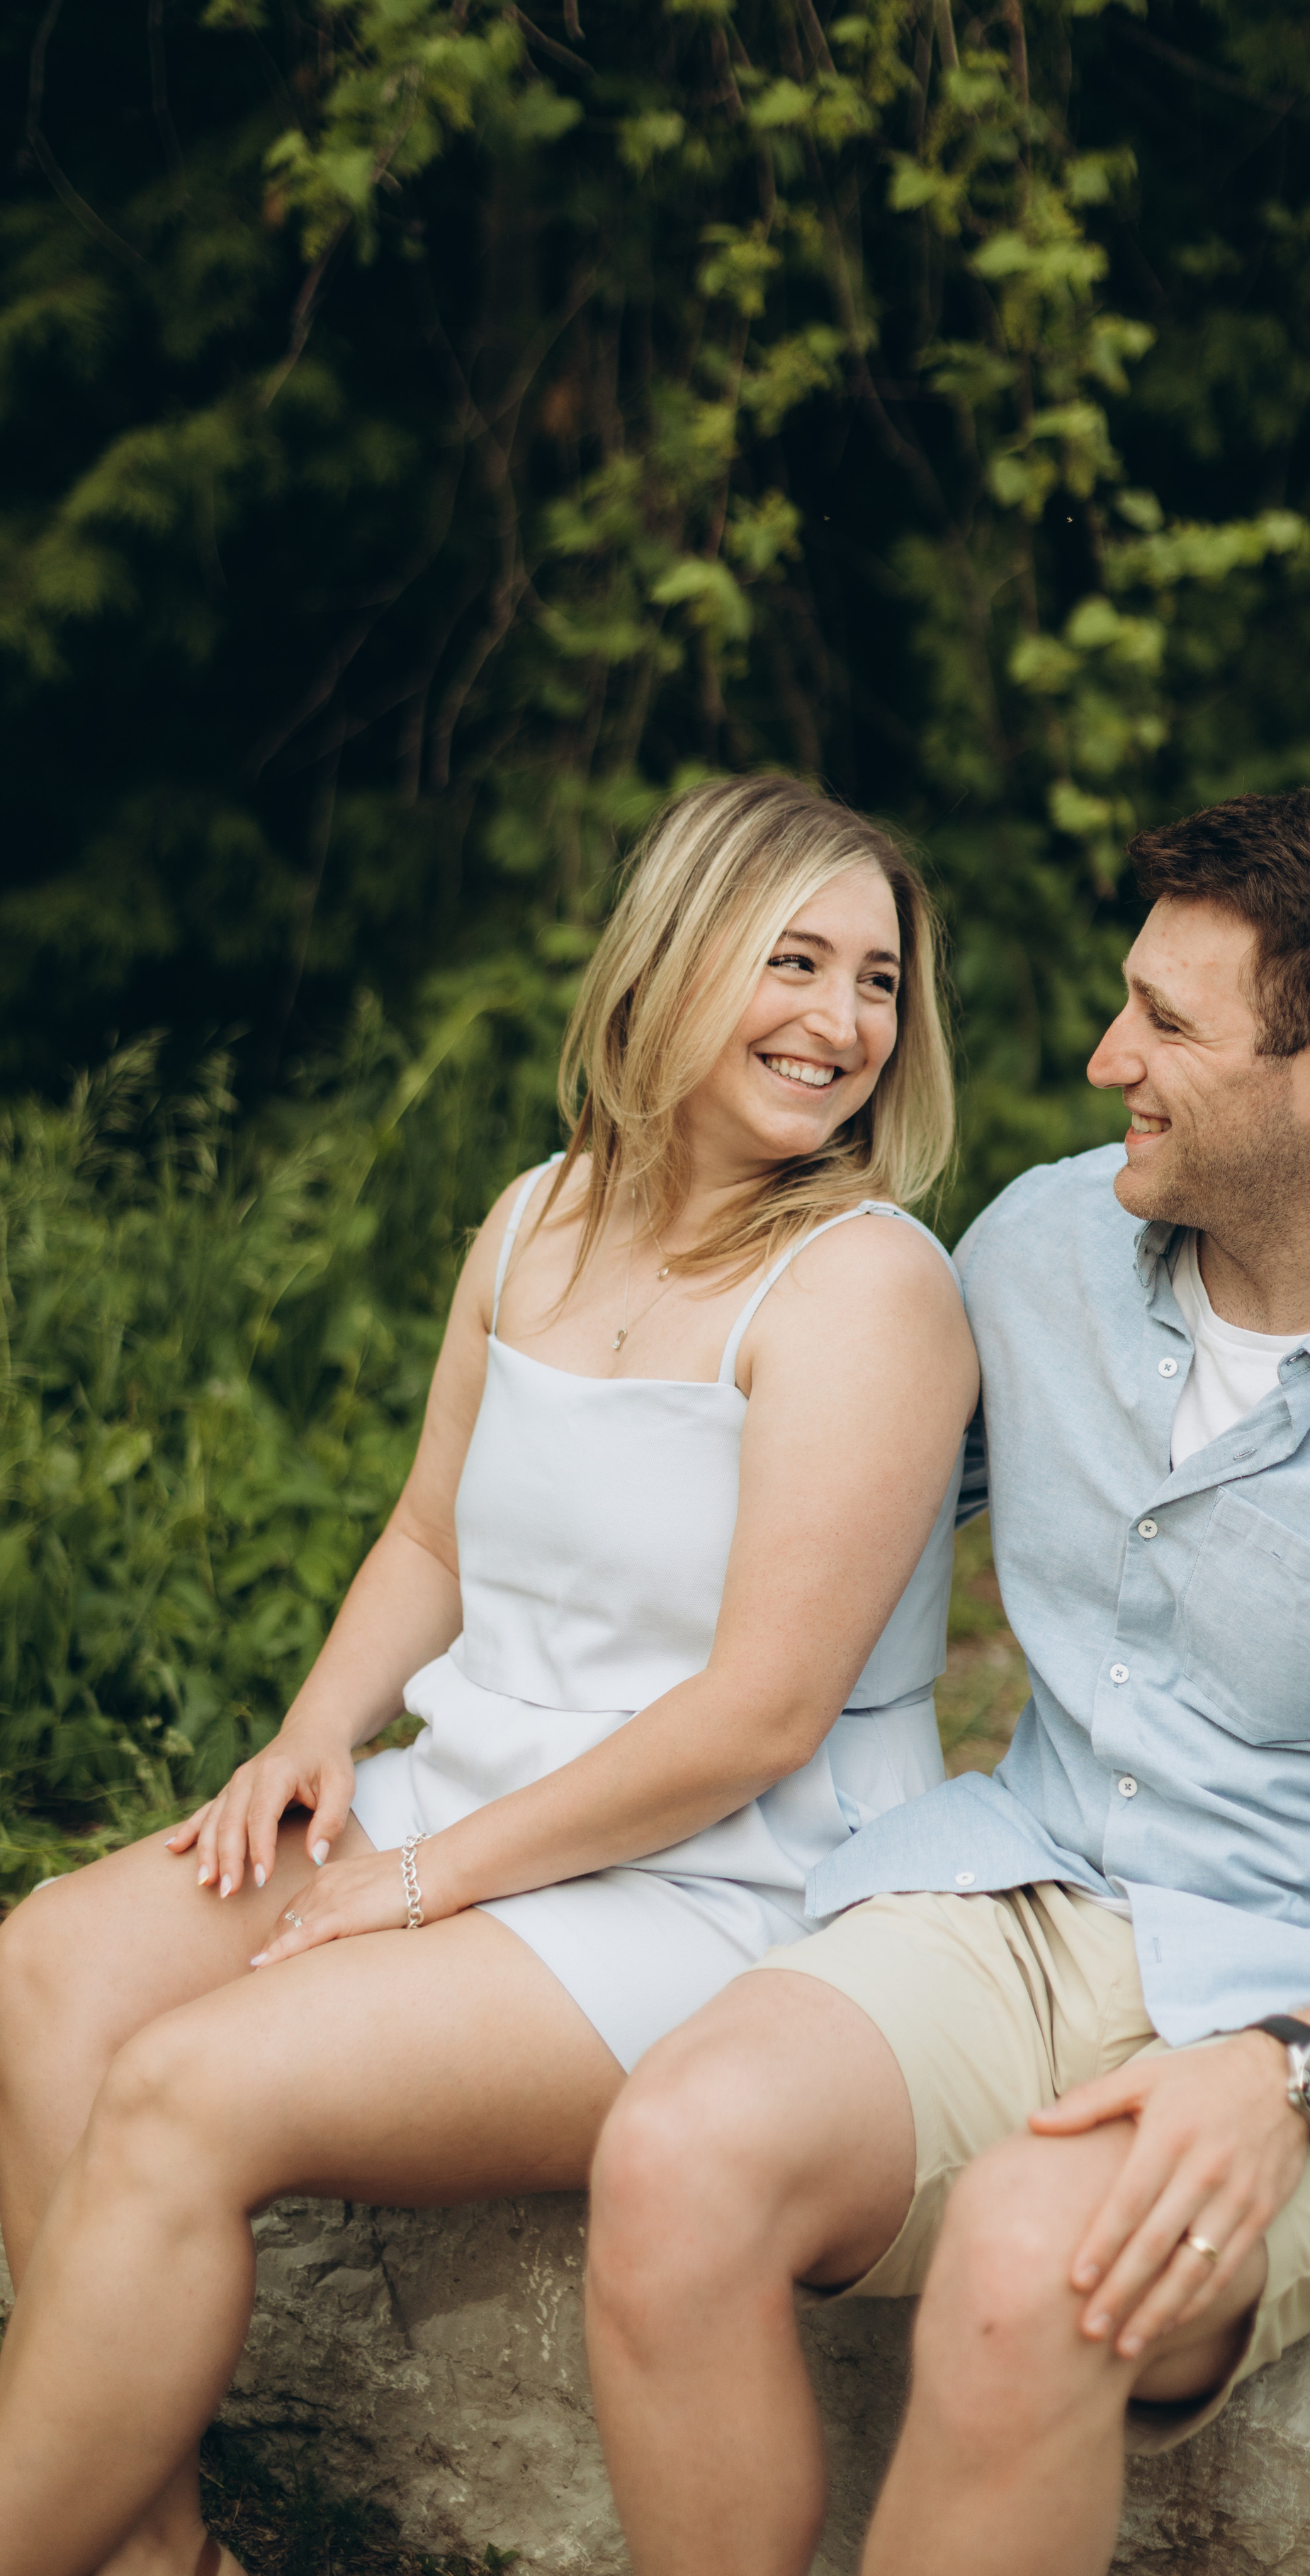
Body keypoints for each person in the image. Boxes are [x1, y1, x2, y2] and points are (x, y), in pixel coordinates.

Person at [586, 787, 1310, 2576]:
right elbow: (803, 1519)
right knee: (677, 2153)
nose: (1107, 1058)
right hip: (1030, 1891)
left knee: (1037, 2262)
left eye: (1165, 1025)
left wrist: (1287, 2077)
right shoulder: (1035, 1252)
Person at [0, 775, 978, 2576]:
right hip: (469, 1800)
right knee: (52, 1963)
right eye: (793, 961)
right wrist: (313, 1738)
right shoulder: (538, 1215)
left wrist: (422, 1886)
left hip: (715, 1880)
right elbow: (430, 1544)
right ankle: (153, 2558)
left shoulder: (863, 1288)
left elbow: (757, 1716)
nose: (841, 1024)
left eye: (877, 981)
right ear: (673, 961)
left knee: (186, 2089)